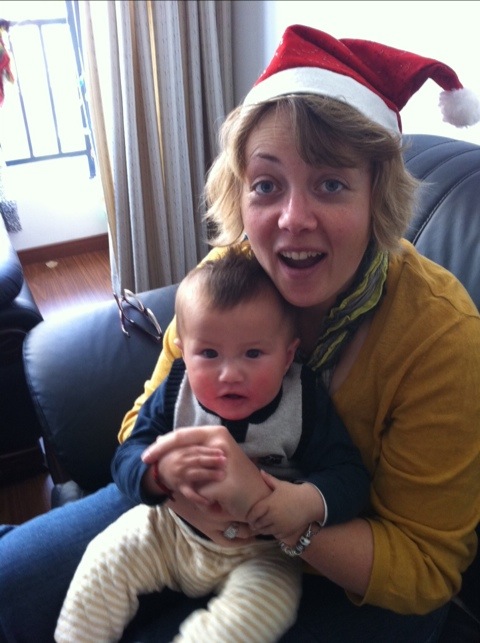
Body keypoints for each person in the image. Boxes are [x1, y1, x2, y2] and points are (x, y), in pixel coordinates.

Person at [1, 23, 480, 643]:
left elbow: (424, 570)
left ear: (377, 196)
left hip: (342, 571)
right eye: (267, 184)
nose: (293, 219)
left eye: (331, 184)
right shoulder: (228, 275)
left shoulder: (441, 338)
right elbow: (146, 419)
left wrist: (267, 513)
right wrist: (171, 481)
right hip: (182, 522)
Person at [54, 247, 370, 643]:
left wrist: (304, 502)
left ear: (288, 355)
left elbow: (349, 476)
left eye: (253, 353)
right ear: (183, 350)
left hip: (263, 554)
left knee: (264, 610)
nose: (229, 374)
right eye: (208, 353)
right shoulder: (176, 390)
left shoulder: (304, 402)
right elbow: (128, 455)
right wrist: (157, 475)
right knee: (103, 562)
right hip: (169, 531)